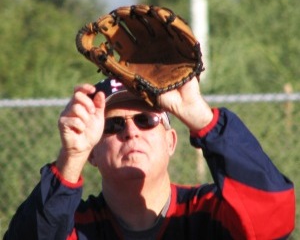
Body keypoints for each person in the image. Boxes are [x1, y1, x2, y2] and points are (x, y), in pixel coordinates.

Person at [4, 77, 295, 240]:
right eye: (113, 125)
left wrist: (203, 119)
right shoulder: (75, 226)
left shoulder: (207, 213)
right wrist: (72, 156)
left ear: (171, 141)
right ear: (93, 153)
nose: (131, 132)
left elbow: (274, 219)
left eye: (146, 120)